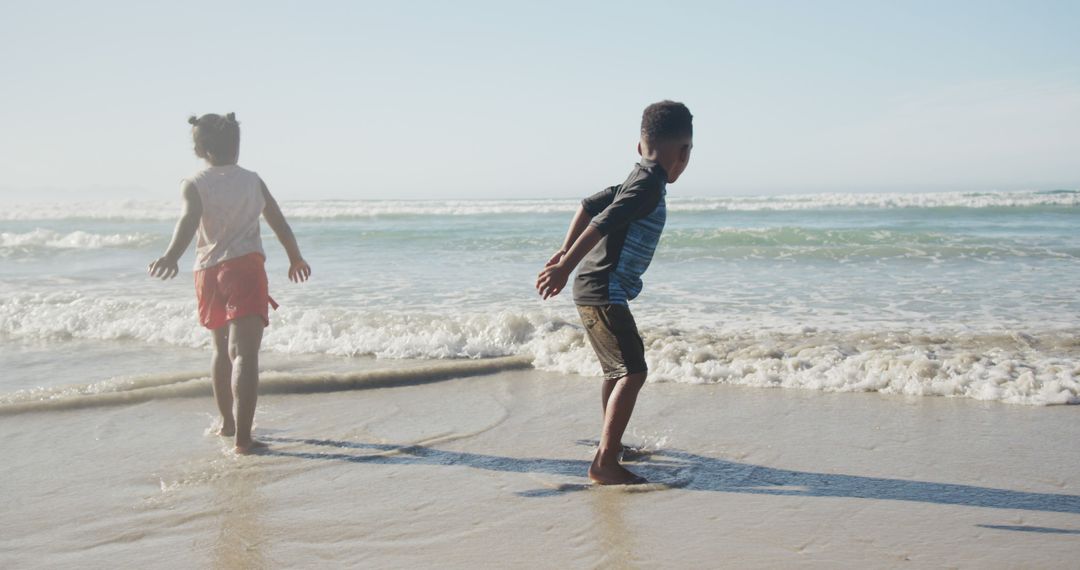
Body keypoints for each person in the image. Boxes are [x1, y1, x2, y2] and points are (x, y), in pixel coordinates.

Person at [537, 101, 693, 484]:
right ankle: (605, 462)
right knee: (634, 371)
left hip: (595, 288)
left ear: (639, 146)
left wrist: (564, 251)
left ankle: (612, 447)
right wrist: (565, 264)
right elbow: (603, 220)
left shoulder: (638, 176)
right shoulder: (648, 184)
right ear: (685, 152)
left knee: (617, 369)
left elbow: (588, 205)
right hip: (604, 289)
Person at [148, 113, 311, 454]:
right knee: (246, 355)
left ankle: (227, 423)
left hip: (206, 273)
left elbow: (188, 222)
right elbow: (278, 221)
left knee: (221, 351)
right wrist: (295, 257)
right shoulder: (252, 180)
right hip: (246, 269)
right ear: (236, 146)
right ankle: (243, 440)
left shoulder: (194, 182)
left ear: (200, 149)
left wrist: (172, 256)